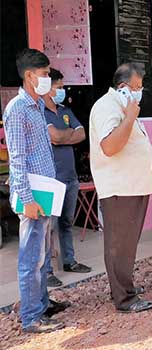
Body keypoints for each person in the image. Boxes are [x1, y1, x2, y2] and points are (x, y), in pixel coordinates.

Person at [3, 48, 66, 333]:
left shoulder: (38, 105)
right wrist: (27, 199)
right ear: (30, 76)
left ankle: (41, 304)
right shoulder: (17, 108)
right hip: (32, 195)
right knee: (32, 257)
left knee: (42, 253)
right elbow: (16, 156)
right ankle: (31, 317)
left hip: (45, 190)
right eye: (44, 74)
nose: (48, 78)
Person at [89, 62, 152, 313]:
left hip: (132, 186)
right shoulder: (108, 107)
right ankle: (124, 298)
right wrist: (129, 117)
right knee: (119, 245)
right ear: (122, 87)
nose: (140, 92)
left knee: (127, 244)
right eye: (136, 87)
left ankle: (124, 288)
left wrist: (130, 115)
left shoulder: (125, 107)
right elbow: (110, 146)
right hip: (119, 189)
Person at [42, 68, 91, 288]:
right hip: (51, 178)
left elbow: (81, 133)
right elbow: (53, 136)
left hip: (70, 176)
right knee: (48, 226)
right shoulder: (41, 112)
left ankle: (69, 261)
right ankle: (47, 270)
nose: (62, 91)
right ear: (48, 87)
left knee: (66, 223)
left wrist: (63, 138)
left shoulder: (64, 110)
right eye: (59, 87)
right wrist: (64, 136)